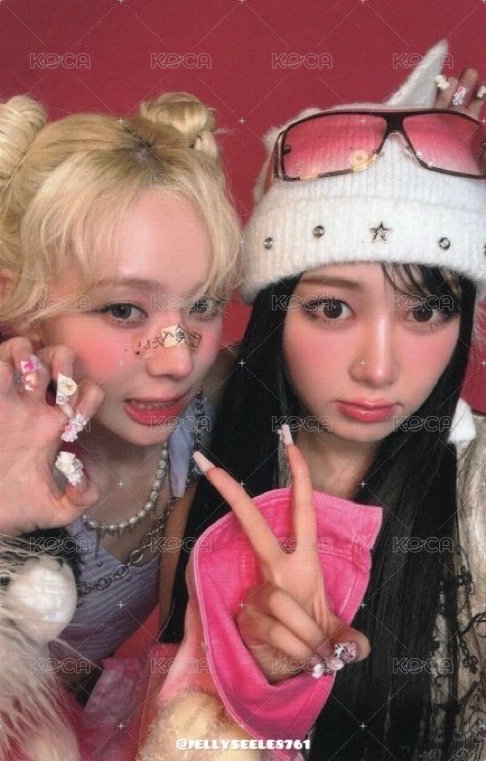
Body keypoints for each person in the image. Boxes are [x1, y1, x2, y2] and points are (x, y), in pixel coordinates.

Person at [162, 41, 486, 760]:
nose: (379, 368)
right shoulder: (191, 457)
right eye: (332, 309)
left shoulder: (476, 501)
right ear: (275, 312)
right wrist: (254, 680)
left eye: (426, 309)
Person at [0, 90, 240, 698]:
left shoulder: (221, 397)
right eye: (124, 310)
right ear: (20, 305)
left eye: (203, 305)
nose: (179, 360)